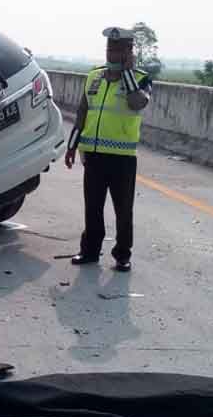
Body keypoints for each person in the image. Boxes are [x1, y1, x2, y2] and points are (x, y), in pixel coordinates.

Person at [64, 27, 152, 272]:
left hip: (122, 157)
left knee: (123, 209)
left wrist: (126, 73)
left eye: (117, 50)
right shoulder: (94, 76)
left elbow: (137, 104)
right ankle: (90, 250)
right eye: (109, 49)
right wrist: (72, 146)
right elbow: (82, 112)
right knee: (92, 206)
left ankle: (122, 254)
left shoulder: (141, 78)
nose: (111, 54)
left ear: (128, 52)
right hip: (93, 154)